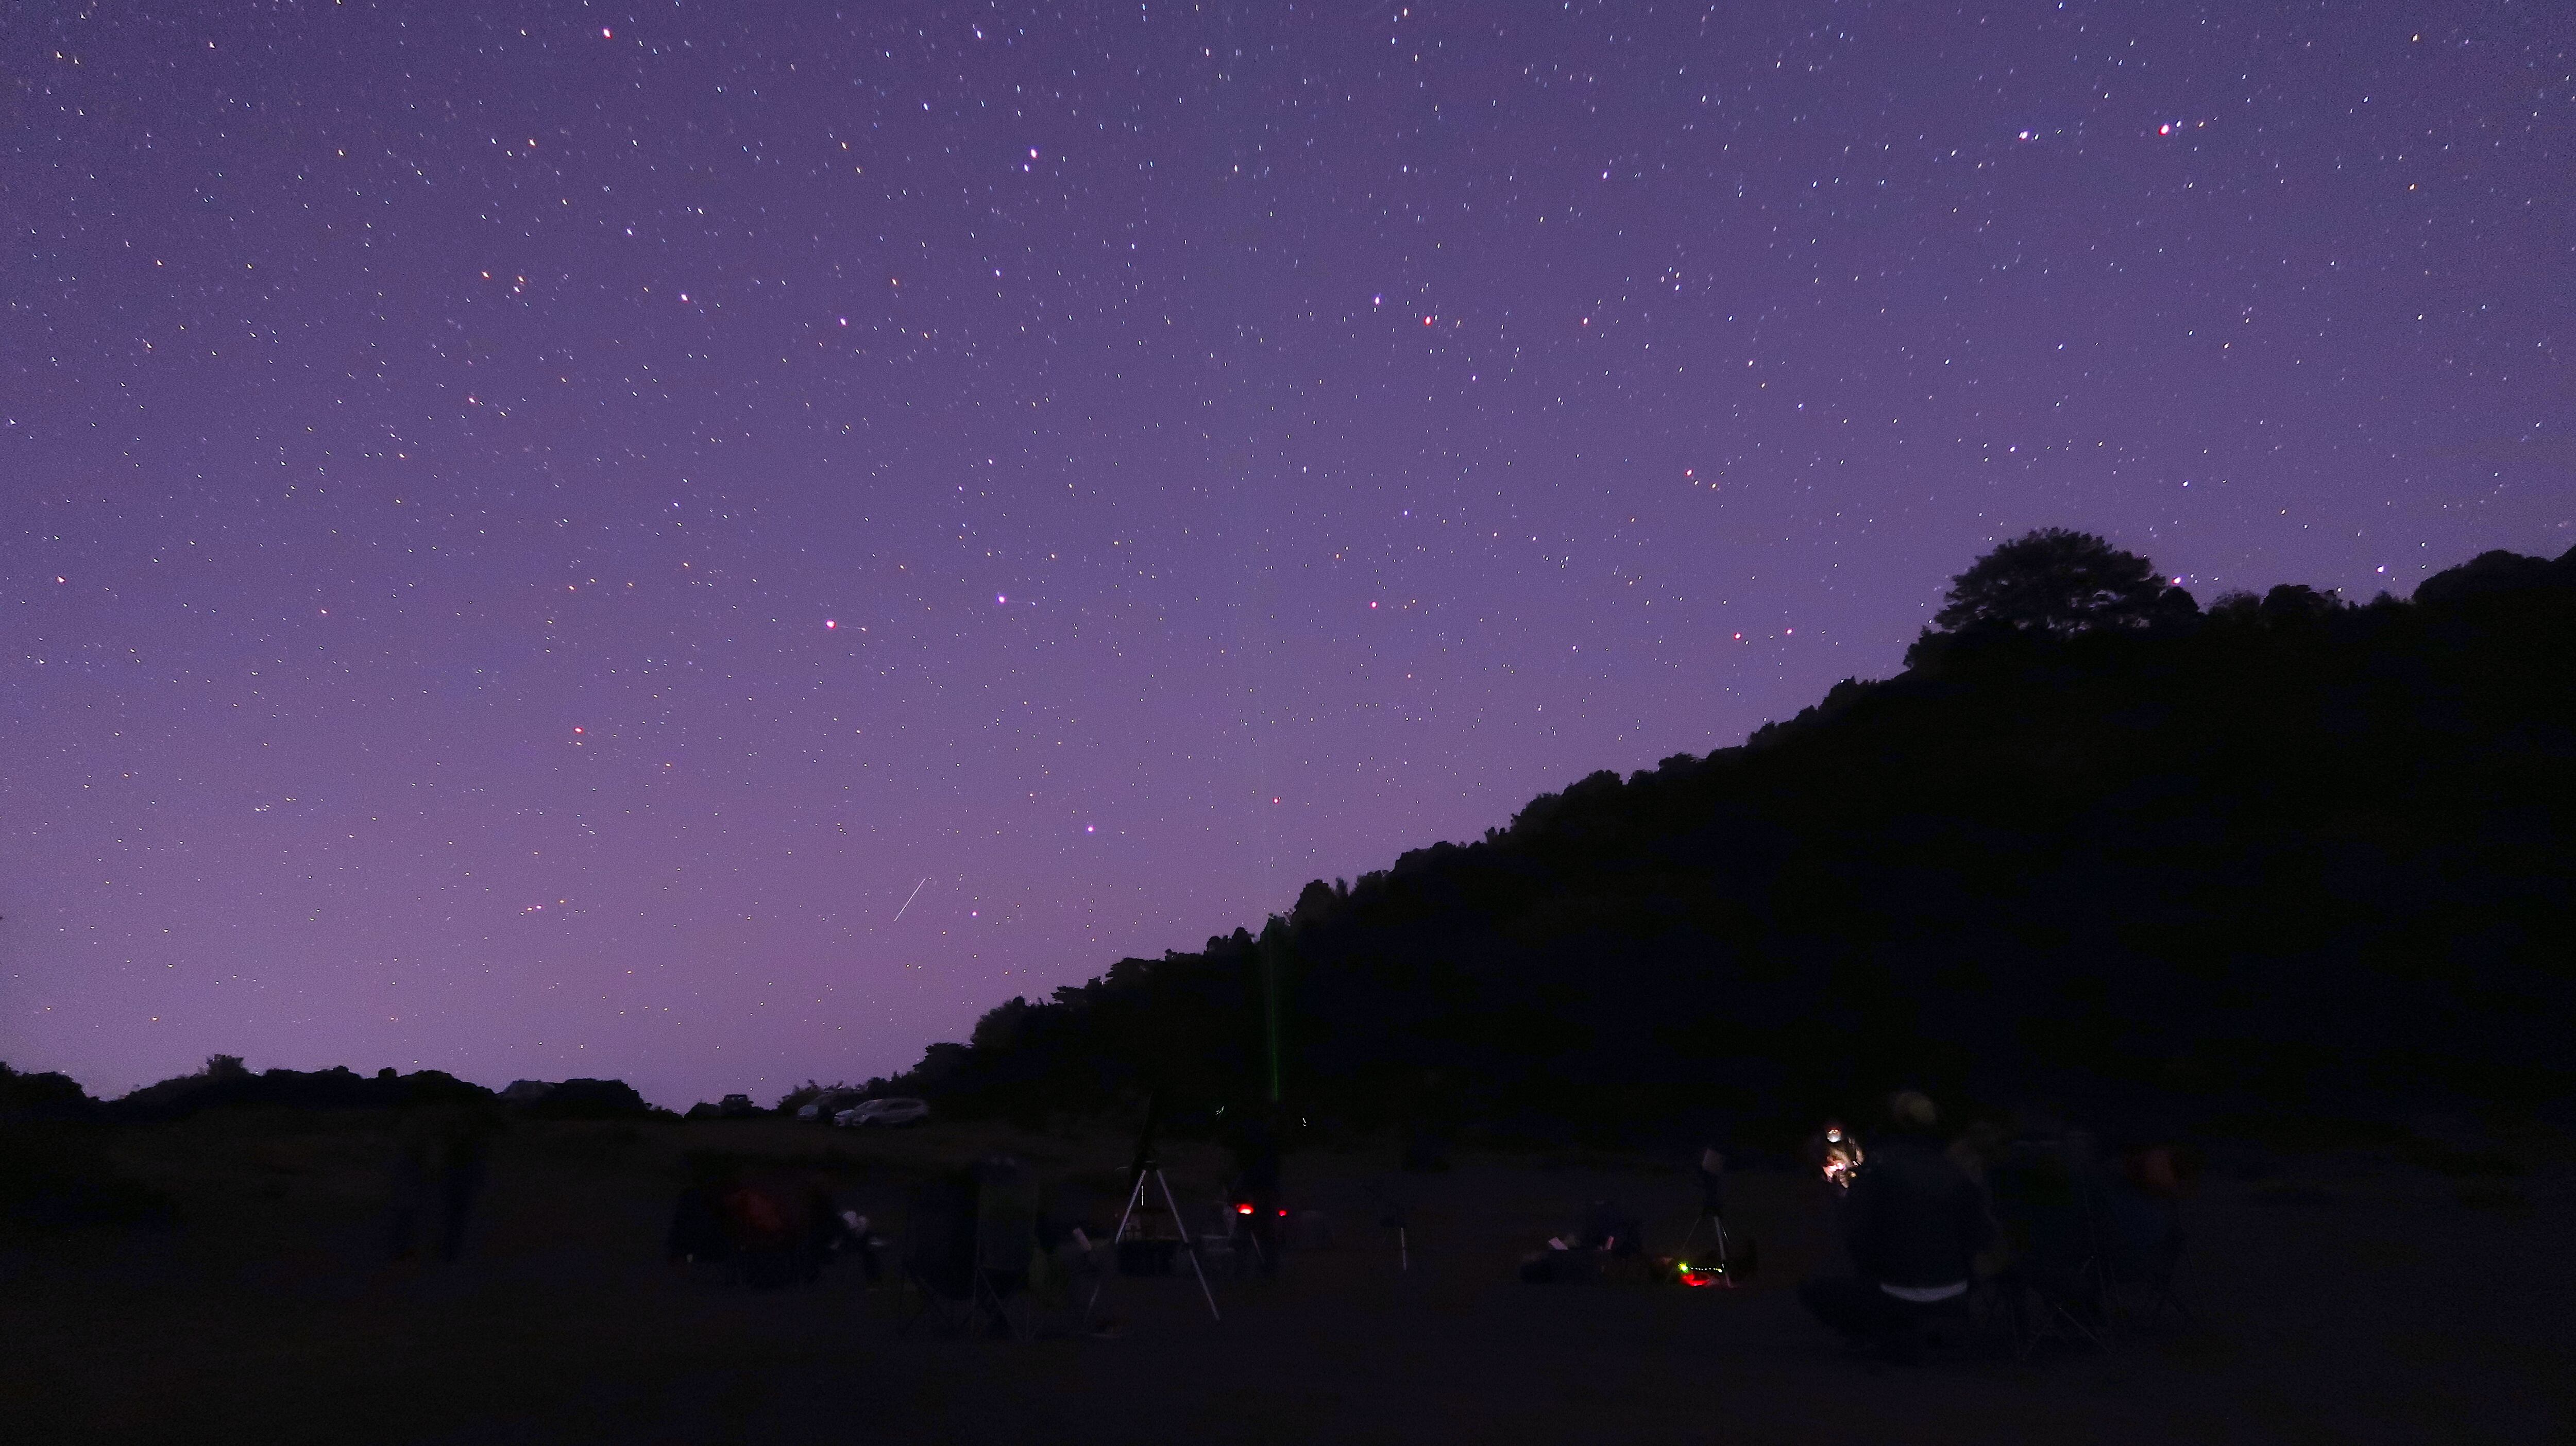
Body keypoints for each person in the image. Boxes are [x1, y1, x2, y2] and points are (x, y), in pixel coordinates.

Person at [1799, 1091, 1992, 1363]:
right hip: (1956, 1287)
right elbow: (1980, 1233)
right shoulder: (1954, 1169)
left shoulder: (1880, 1167)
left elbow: (1857, 1232)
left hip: (1896, 1287)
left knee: (1814, 1289)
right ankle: (1924, 1328)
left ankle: (1885, 1331)